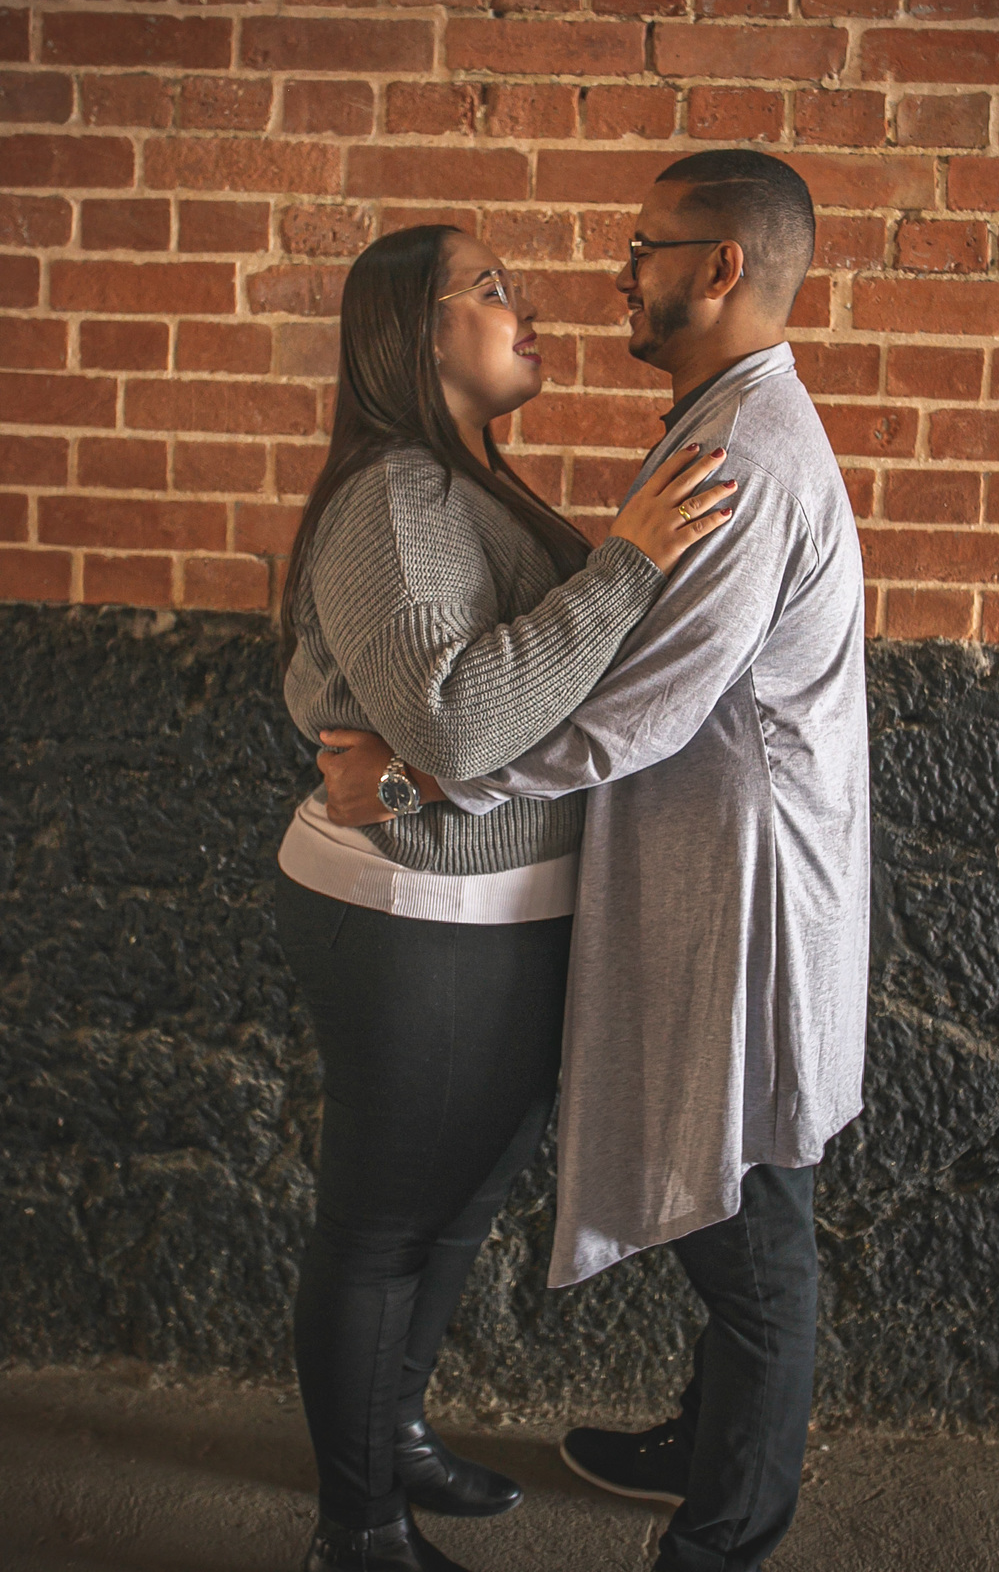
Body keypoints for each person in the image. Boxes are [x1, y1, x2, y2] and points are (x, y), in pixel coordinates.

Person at [321, 150, 871, 1572]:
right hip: (668, 878)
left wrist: (422, 777)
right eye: (491, 287)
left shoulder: (742, 453)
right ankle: (700, 1444)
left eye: (644, 249)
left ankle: (723, 1535)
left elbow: (643, 707)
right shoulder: (709, 427)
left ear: (721, 267)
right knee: (727, 1192)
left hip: (742, 893)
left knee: (753, 1230)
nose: (615, 277)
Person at [275, 222, 737, 1572]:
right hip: (411, 916)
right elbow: (463, 719)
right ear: (414, 334)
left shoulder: (467, 484)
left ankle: (393, 1434)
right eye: (488, 289)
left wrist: (425, 768)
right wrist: (629, 565)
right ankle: (358, 1529)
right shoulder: (398, 496)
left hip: (493, 906)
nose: (524, 306)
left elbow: (500, 712)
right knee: (383, 1226)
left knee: (460, 1204)